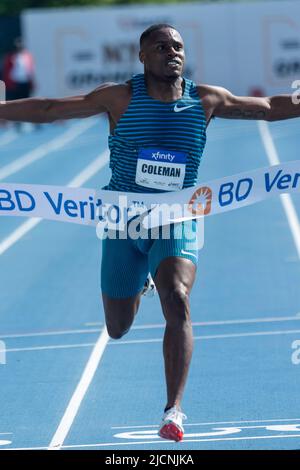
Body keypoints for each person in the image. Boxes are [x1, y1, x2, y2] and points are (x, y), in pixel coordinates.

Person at [0, 23, 300, 442]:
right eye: (161, 47)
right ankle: (139, 281)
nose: (172, 52)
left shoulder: (205, 99)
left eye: (178, 46)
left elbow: (268, 106)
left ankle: (173, 410)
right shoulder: (119, 98)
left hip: (177, 217)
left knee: (177, 298)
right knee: (117, 327)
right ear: (142, 57)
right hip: (122, 219)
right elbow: (51, 108)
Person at [2, 37, 36, 129]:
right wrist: (9, 84)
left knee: (30, 104)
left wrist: (32, 83)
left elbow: (30, 71)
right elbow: (7, 71)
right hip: (16, 84)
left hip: (25, 83)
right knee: (17, 105)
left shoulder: (27, 56)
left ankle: (35, 122)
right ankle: (18, 124)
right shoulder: (10, 57)